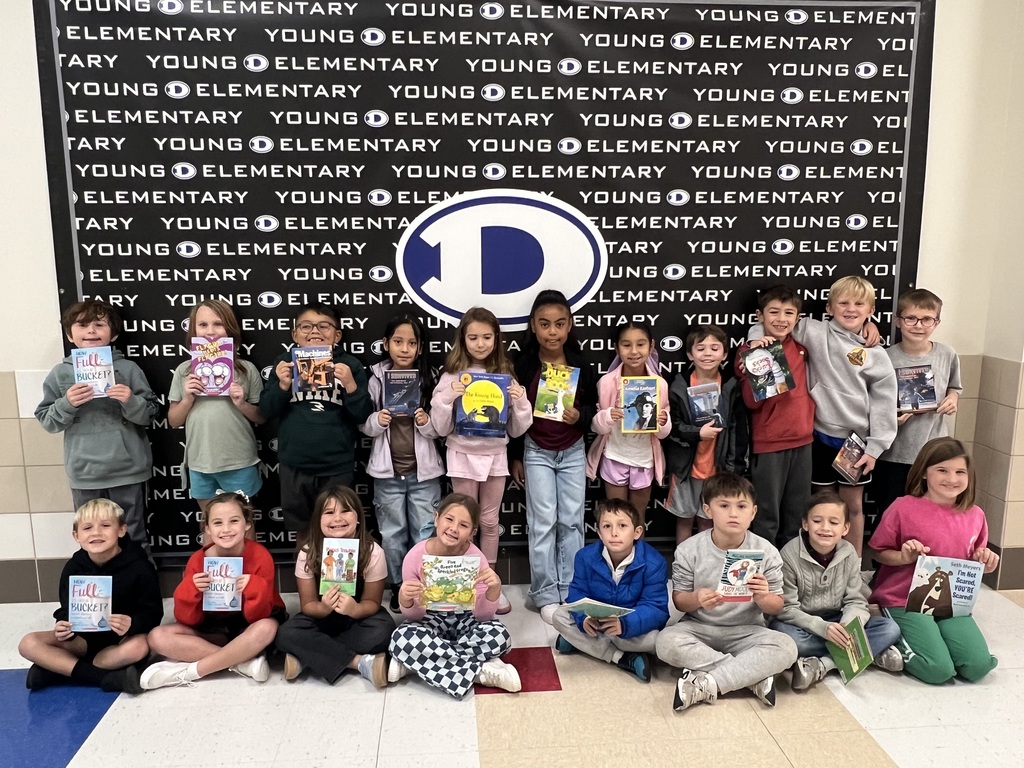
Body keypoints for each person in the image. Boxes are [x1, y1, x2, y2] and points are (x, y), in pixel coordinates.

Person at [747, 276, 898, 556]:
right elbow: (776, 321)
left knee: (852, 505)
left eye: (859, 304)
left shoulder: (875, 352)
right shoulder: (814, 331)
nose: (850, 309)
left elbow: (884, 401)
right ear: (829, 307)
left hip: (856, 443)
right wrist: (757, 338)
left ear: (871, 311)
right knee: (818, 506)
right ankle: (816, 561)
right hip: (816, 437)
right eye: (843, 303)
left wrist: (876, 447)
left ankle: (851, 564)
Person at [655, 473, 797, 711]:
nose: (733, 513)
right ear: (707, 510)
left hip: (749, 631)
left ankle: (709, 683)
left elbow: (777, 605)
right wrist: (697, 599)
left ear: (752, 513)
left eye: (741, 506)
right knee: (665, 642)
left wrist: (763, 597)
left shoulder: (767, 551)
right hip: (700, 628)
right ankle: (750, 676)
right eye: (724, 505)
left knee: (787, 647)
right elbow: (679, 601)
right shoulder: (689, 549)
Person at [868, 437, 999, 685]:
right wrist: (904, 557)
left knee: (978, 666)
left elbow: (973, 561)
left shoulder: (975, 515)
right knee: (937, 670)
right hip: (904, 599)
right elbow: (878, 550)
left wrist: (985, 562)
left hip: (952, 603)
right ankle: (885, 642)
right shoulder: (903, 508)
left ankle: (936, 638)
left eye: (960, 472)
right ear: (924, 473)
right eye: (942, 470)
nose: (952, 479)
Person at [36, 299, 159, 556]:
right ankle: (102, 593)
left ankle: (140, 592)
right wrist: (67, 403)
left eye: (99, 324)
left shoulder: (128, 369)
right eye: (82, 325)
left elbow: (150, 414)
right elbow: (48, 421)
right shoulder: (60, 374)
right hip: (85, 473)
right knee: (92, 537)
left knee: (133, 533)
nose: (91, 330)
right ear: (70, 334)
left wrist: (131, 401)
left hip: (128, 469)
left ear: (113, 333)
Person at [430, 307, 532, 613]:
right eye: (473, 337)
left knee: (489, 521)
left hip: (495, 457)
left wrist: (521, 400)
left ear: (496, 338)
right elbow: (439, 427)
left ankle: (488, 585)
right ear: (463, 338)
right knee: (462, 523)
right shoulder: (451, 375)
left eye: (487, 337)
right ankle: (460, 584)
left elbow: (516, 429)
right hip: (462, 455)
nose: (480, 343)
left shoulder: (505, 374)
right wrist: (448, 398)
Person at [509, 290, 597, 624]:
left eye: (560, 324)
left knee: (572, 521)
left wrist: (582, 416)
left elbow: (592, 406)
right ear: (533, 326)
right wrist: (515, 455)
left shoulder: (580, 362)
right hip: (536, 449)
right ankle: (545, 594)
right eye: (544, 324)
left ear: (570, 325)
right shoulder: (524, 364)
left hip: (572, 449)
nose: (552, 331)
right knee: (542, 522)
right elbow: (514, 415)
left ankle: (572, 590)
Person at [140, 492, 287, 689]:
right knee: (157, 637)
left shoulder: (261, 556)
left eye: (234, 521)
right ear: (207, 528)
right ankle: (241, 662)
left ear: (247, 524)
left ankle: (191, 671)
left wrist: (254, 588)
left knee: (267, 627)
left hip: (249, 626)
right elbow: (188, 620)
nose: (226, 529)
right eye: (218, 523)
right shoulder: (198, 560)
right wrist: (190, 590)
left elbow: (259, 616)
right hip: (213, 628)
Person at [18, 499, 162, 693]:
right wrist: (62, 624)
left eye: (105, 525)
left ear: (121, 530)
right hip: (82, 641)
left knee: (140, 646)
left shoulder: (140, 567)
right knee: (28, 643)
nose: (96, 533)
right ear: (76, 536)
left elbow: (153, 613)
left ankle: (57, 670)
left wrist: (133, 623)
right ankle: (104, 678)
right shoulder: (73, 568)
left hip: (119, 642)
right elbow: (66, 609)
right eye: (87, 528)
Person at [388, 493, 521, 697]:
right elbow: (414, 617)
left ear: (472, 532)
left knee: (500, 636)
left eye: (463, 525)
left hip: (466, 621)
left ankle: (417, 662)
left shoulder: (477, 558)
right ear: (436, 518)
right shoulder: (415, 556)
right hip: (429, 621)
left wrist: (494, 592)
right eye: (449, 519)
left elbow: (483, 617)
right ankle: (481, 672)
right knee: (400, 638)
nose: (453, 529)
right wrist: (405, 599)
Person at [260, 303, 372, 544]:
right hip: (295, 466)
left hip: (336, 466)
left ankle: (338, 584)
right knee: (303, 533)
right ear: (295, 334)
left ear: (337, 334)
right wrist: (281, 386)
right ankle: (306, 581)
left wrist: (351, 386)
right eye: (306, 326)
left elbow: (363, 416)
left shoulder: (350, 365)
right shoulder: (284, 364)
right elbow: (266, 411)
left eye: (324, 326)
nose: (315, 332)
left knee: (340, 533)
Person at [769, 490, 904, 690]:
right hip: (805, 624)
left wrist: (847, 627)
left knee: (890, 629)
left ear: (845, 528)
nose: (825, 528)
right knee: (789, 639)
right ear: (805, 524)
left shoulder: (848, 552)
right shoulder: (788, 555)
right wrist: (823, 629)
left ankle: (823, 665)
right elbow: (786, 608)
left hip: (838, 619)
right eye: (817, 521)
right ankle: (866, 654)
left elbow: (856, 601)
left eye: (833, 522)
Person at [361, 314, 443, 611]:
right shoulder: (376, 379)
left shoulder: (429, 378)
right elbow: (363, 426)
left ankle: (423, 585)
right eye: (398, 342)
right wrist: (377, 420)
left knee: (424, 532)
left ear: (420, 348)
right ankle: (398, 586)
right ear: (386, 344)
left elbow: (440, 429)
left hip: (425, 476)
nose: (405, 348)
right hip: (387, 474)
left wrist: (425, 421)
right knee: (392, 534)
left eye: (412, 343)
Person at [275, 485, 396, 687]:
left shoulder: (373, 551)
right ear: (318, 520)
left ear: (358, 517)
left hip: (356, 618)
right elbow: (308, 605)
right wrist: (323, 608)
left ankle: (306, 656)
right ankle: (359, 662)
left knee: (384, 630)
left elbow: (372, 602)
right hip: (321, 617)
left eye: (345, 511)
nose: (337, 518)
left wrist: (355, 609)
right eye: (329, 512)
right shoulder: (308, 551)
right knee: (285, 633)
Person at [551, 499, 669, 682]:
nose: (614, 533)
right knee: (559, 615)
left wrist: (625, 624)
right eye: (607, 526)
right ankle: (622, 658)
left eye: (622, 525)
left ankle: (580, 643)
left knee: (657, 640)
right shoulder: (585, 556)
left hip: (629, 627)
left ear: (637, 532)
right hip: (597, 623)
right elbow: (577, 593)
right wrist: (584, 619)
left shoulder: (654, 562)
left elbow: (657, 608)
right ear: (599, 532)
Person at [735, 285, 814, 548]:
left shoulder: (802, 348)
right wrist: (760, 364)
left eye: (789, 313)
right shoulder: (751, 350)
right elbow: (751, 403)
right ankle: (762, 572)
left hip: (803, 441)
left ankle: (790, 573)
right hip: (769, 443)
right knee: (767, 514)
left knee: (797, 513)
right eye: (774, 312)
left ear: (797, 318)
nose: (781, 319)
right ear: (760, 315)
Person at [167, 300, 265, 512]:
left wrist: (241, 403)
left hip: (239, 461)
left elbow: (261, 417)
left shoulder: (247, 370)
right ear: (193, 331)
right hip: (200, 463)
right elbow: (174, 421)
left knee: (244, 525)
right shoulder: (184, 371)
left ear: (230, 329)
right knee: (210, 526)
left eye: (218, 324)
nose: (211, 331)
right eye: (202, 325)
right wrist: (187, 399)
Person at [873, 289, 962, 515]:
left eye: (927, 319)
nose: (918, 325)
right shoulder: (885, 357)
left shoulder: (947, 354)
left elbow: (955, 387)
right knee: (891, 511)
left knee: (930, 512)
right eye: (910, 318)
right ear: (897, 321)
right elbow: (875, 403)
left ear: (937, 322)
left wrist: (952, 398)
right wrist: (892, 418)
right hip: (894, 452)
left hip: (934, 452)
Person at [665, 325, 748, 545]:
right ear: (690, 354)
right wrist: (697, 433)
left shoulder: (731, 386)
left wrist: (734, 468)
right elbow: (672, 427)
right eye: (701, 348)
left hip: (717, 468)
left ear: (725, 354)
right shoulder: (679, 385)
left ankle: (705, 567)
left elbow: (739, 430)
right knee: (684, 519)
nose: (708, 353)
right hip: (686, 469)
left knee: (707, 521)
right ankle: (682, 568)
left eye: (714, 348)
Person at [585, 321, 671, 527]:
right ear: (617, 347)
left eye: (640, 344)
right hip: (615, 456)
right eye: (626, 345)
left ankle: (637, 558)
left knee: (638, 517)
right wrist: (607, 416)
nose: (634, 351)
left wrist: (663, 421)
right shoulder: (607, 382)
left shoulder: (659, 384)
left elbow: (663, 433)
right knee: (616, 516)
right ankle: (616, 558)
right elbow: (596, 427)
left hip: (644, 460)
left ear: (651, 346)